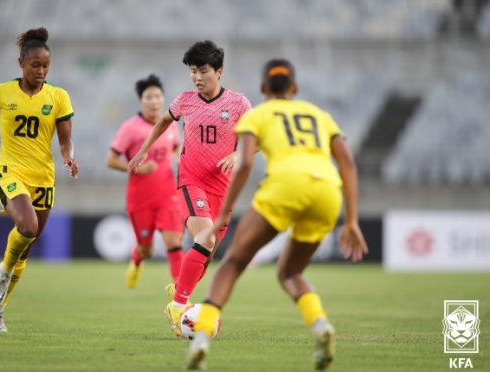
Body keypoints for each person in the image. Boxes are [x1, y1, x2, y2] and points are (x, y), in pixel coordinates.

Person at [184, 59, 369, 371]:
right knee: (290, 273)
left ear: (262, 88)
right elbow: (348, 163)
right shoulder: (318, 114)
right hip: (326, 192)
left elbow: (242, 164)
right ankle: (320, 324)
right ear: (294, 88)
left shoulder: (258, 114)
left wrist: (221, 214)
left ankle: (201, 339)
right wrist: (351, 220)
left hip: (284, 187)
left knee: (232, 263)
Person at [0, 27, 78, 333]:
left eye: (46, 65)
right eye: (35, 64)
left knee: (26, 246)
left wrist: (68, 156)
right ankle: (2, 273)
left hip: (44, 178)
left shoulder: (58, 97)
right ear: (21, 63)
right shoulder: (1, 92)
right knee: (27, 226)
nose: (41, 70)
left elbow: (65, 140)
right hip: (10, 172)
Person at [128, 40, 252, 336]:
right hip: (190, 182)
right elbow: (162, 122)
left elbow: (255, 138)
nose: (197, 77)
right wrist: (145, 148)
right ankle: (178, 304)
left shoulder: (238, 103)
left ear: (219, 72)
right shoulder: (185, 100)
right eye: (193, 71)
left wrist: (237, 154)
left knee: (206, 254)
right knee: (205, 239)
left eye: (203, 71)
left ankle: (179, 289)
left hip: (223, 188)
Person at [106, 74, 185, 288]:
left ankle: (181, 296)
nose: (154, 101)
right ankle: (136, 260)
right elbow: (111, 160)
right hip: (141, 198)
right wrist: (136, 168)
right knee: (146, 249)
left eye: (158, 96)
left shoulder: (170, 124)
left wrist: (179, 159)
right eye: (148, 97)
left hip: (168, 194)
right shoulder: (130, 127)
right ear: (141, 101)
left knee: (174, 242)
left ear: (163, 99)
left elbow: (176, 147)